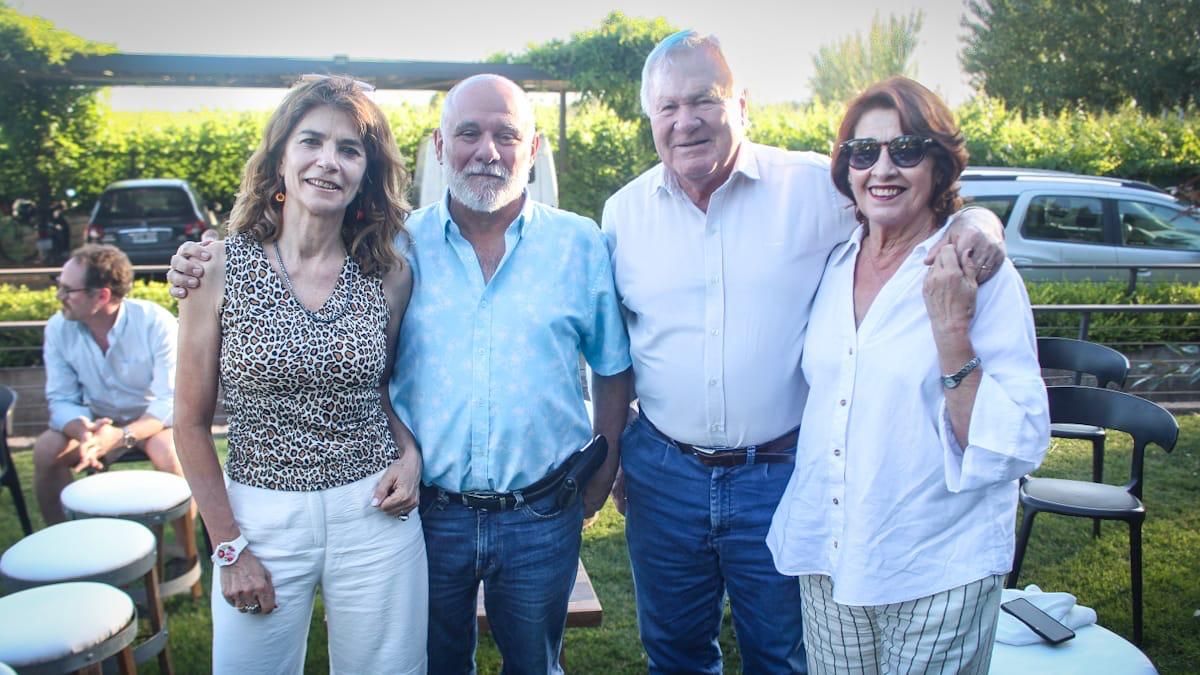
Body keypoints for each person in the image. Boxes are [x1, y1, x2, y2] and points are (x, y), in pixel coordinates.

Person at [170, 74, 633, 675]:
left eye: (506, 135)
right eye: (467, 133)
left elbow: (612, 369)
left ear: (533, 148)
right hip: (417, 514)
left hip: (518, 515)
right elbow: (202, 416)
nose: (487, 151)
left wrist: (601, 471)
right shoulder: (397, 248)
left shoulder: (569, 244)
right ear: (439, 148)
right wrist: (229, 543)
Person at [601, 31, 1009, 674]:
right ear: (649, 117)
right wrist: (623, 445)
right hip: (665, 474)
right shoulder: (623, 214)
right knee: (673, 654)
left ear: (742, 104)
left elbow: (911, 200)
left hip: (781, 472)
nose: (686, 121)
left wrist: (977, 223)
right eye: (667, 107)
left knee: (782, 656)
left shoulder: (815, 190)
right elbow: (617, 344)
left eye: (704, 99)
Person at [766, 76, 1050, 673]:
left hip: (936, 567)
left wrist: (951, 335)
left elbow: (1017, 441)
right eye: (863, 153)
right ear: (846, 169)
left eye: (907, 149)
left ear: (940, 165)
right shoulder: (836, 261)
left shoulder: (975, 271)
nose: (882, 168)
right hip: (831, 555)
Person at [173, 75, 427, 674]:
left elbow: (380, 392)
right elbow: (187, 422)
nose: (328, 162)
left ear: (366, 170)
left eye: (349, 149)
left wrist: (410, 456)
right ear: (280, 158)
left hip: (374, 517)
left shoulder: (388, 274)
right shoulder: (215, 268)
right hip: (260, 518)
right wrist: (229, 547)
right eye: (311, 141)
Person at [34, 243, 182, 525]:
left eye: (67, 290)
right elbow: (61, 399)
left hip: (152, 425)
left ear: (101, 295)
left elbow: (169, 401)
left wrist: (121, 435)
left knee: (172, 451)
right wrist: (85, 431)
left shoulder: (155, 323)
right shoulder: (58, 327)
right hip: (93, 423)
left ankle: (184, 553)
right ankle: (63, 538)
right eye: (59, 286)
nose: (59, 296)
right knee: (45, 450)